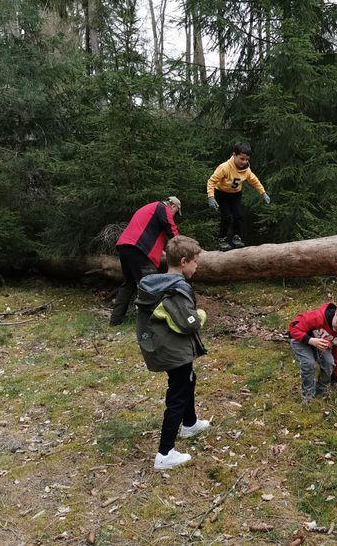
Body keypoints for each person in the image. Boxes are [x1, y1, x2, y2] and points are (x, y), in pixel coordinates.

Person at [135, 235, 210, 470]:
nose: (197, 266)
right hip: (173, 350)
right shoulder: (177, 288)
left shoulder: (159, 283)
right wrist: (201, 315)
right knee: (178, 394)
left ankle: (190, 424)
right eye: (196, 261)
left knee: (188, 380)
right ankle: (164, 453)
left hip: (165, 346)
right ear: (185, 261)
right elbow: (187, 323)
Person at [109, 196, 182, 326]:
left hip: (125, 246)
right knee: (152, 284)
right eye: (176, 212)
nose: (174, 216)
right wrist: (184, 247)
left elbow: (149, 232)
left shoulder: (149, 208)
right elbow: (171, 230)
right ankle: (153, 323)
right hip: (139, 248)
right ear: (173, 206)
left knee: (128, 284)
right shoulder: (162, 207)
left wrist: (162, 251)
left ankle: (115, 321)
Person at [288, 301, 337, 403]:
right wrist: (311, 340)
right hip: (300, 339)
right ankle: (308, 396)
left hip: (319, 343)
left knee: (329, 363)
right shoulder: (317, 317)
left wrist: (335, 377)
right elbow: (293, 330)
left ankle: (320, 391)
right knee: (309, 363)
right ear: (336, 313)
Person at [206, 142, 270, 252]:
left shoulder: (246, 169)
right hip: (222, 193)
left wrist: (263, 193)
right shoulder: (224, 167)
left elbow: (254, 181)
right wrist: (211, 197)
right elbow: (211, 181)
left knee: (238, 215)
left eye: (246, 159)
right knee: (226, 216)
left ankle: (237, 237)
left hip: (235, 194)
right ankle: (222, 239)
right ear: (234, 155)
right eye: (242, 159)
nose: (244, 162)